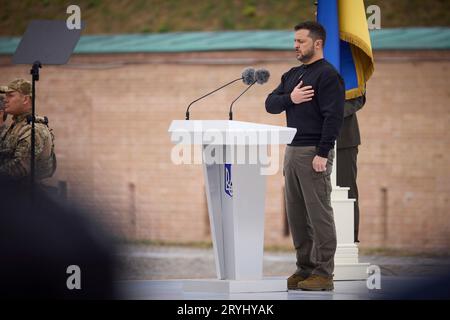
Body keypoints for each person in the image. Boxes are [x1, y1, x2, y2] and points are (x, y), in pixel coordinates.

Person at [265, 21, 344, 291]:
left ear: (317, 43)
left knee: (319, 215)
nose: (295, 45)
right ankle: (305, 268)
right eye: (295, 41)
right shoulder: (292, 75)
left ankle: (324, 273)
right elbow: (270, 104)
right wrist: (292, 98)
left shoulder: (328, 76)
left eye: (301, 41)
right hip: (292, 150)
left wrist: (323, 152)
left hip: (314, 152)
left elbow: (333, 117)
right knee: (296, 215)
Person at [0, 78, 56, 181]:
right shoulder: (16, 126)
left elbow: (20, 168)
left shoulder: (33, 129)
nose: (5, 100)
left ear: (25, 99)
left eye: (10, 96)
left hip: (26, 194)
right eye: (5, 96)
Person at [337, 94, 366, 243]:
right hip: (313, 139)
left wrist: (330, 112)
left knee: (346, 189)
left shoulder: (351, 71)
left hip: (344, 140)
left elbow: (358, 98)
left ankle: (348, 239)